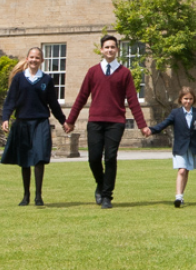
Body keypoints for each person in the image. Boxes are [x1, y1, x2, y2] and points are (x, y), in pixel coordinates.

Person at [63, 34, 151, 209]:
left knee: (110, 158)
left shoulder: (125, 73)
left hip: (115, 122)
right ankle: (101, 184)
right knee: (94, 158)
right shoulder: (93, 72)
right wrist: (70, 120)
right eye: (107, 47)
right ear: (102, 50)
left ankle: (107, 196)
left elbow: (133, 101)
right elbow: (81, 97)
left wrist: (142, 125)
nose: (110, 50)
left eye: (112, 47)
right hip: (95, 121)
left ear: (117, 50)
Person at [0, 47, 67, 206]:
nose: (34, 60)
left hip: (40, 123)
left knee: (39, 158)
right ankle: (26, 195)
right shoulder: (19, 79)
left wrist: (63, 121)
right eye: (32, 57)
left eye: (37, 58)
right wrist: (5, 118)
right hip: (22, 122)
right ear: (27, 59)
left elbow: (53, 104)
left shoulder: (46, 80)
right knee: (24, 159)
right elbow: (10, 100)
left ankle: (38, 196)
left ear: (41, 60)